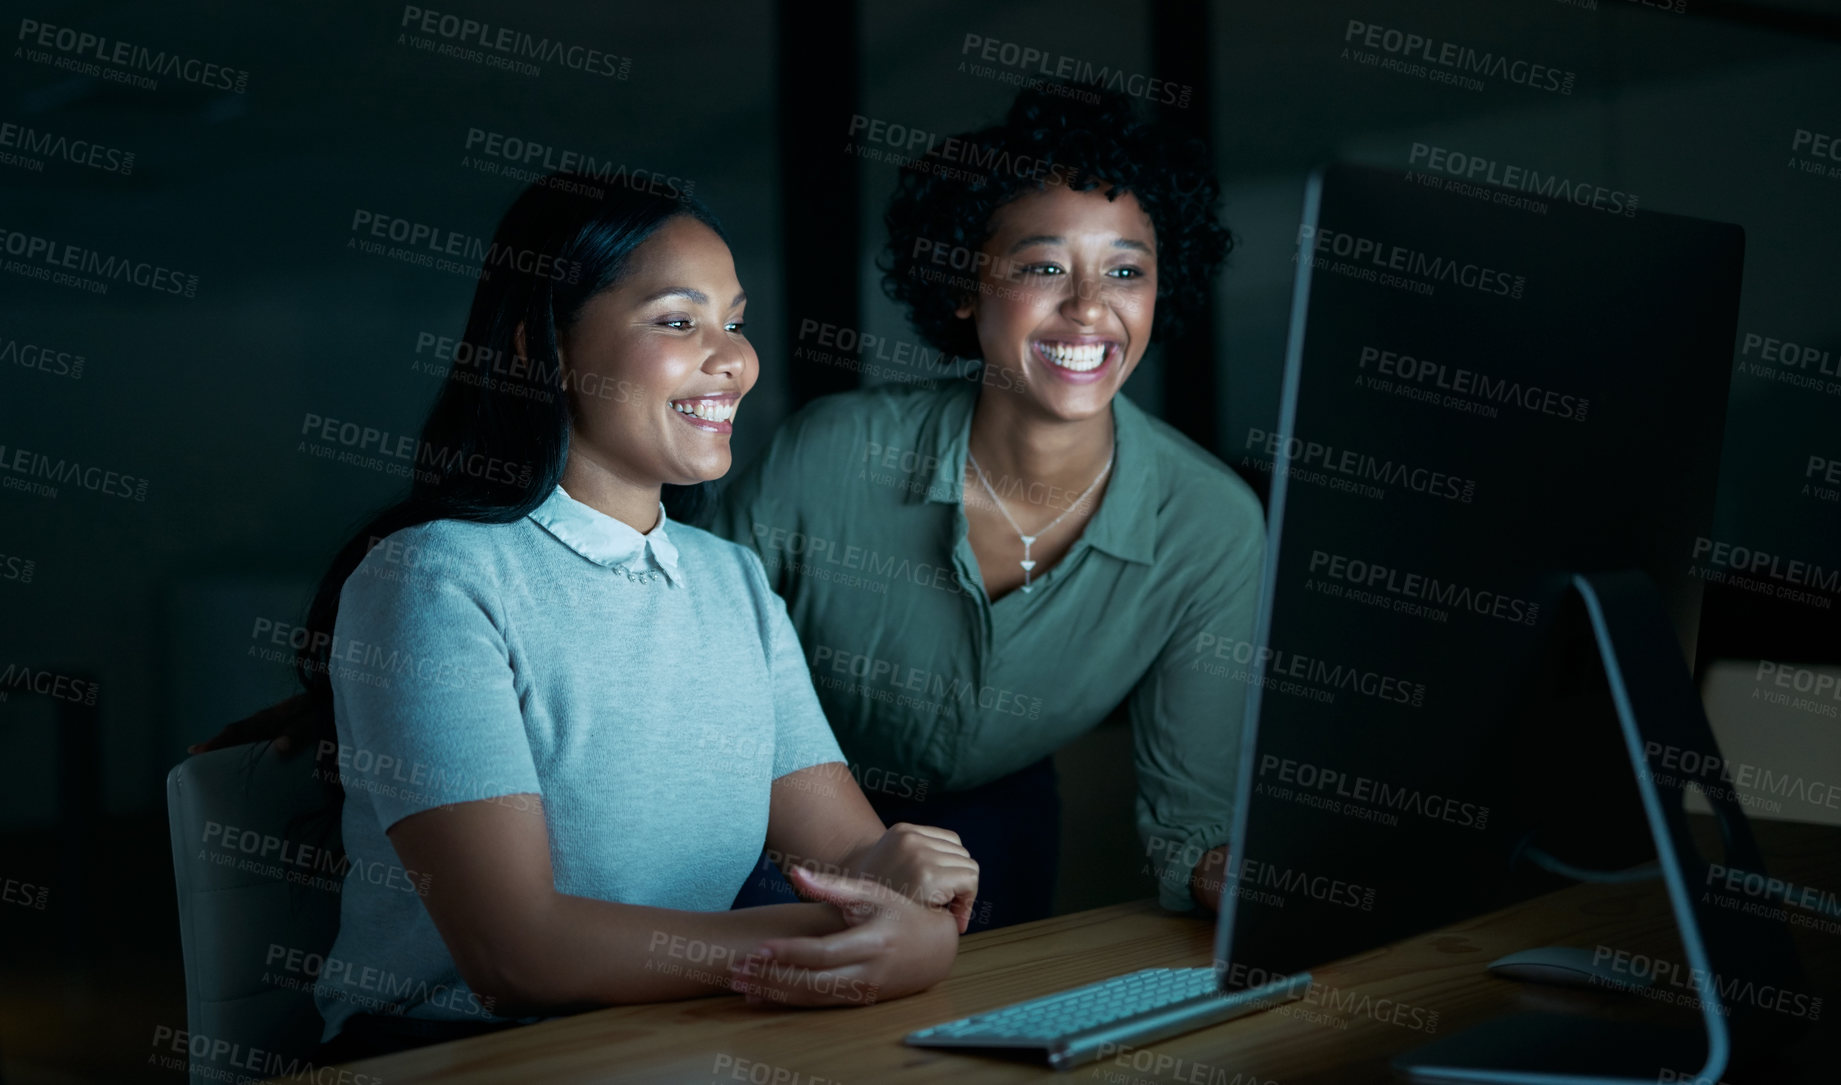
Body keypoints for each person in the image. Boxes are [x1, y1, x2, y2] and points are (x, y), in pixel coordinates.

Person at [194, 177, 975, 1062]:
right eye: (679, 322)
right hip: (447, 1053)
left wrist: (913, 890)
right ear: (545, 346)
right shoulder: (436, 577)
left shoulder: (732, 581)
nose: (733, 360)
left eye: (736, 319)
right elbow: (515, 954)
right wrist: (842, 938)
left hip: (663, 1040)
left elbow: (853, 858)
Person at [712, 84, 1261, 930]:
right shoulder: (827, 455)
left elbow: (1196, 816)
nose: (1088, 307)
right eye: (1042, 267)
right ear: (964, 283)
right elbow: (691, 668)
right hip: (772, 824)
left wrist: (1226, 875)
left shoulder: (1210, 524)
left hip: (1001, 826)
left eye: (1125, 270)